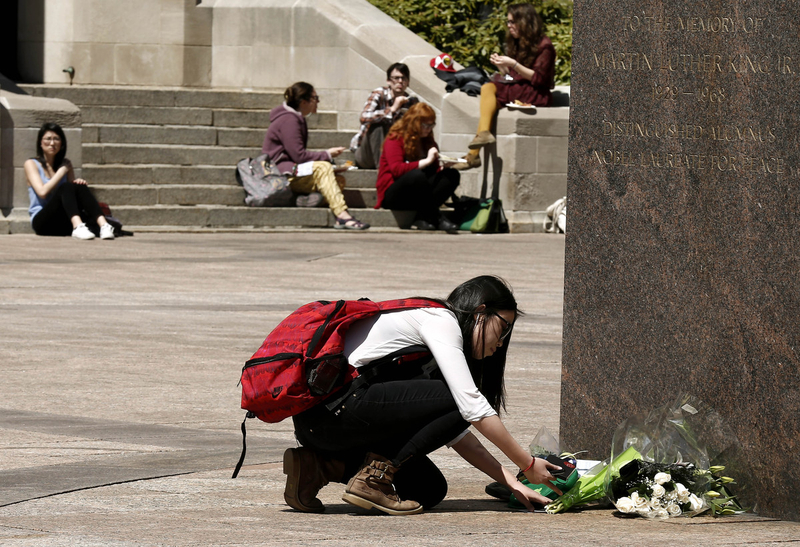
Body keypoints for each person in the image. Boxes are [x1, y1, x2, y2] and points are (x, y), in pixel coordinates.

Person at [284, 275, 563, 515]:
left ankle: (318, 466)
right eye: (503, 327)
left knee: (428, 490)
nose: (501, 342)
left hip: (326, 426)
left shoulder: (436, 346)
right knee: (462, 398)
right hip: (334, 411)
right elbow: (470, 407)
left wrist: (512, 482)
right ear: (480, 312)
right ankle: (373, 479)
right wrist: (527, 465)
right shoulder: (440, 319)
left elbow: (455, 433)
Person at [263, 82, 369, 230]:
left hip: (292, 171)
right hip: (282, 175)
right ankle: (342, 216)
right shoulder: (289, 120)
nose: (318, 102)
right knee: (323, 167)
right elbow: (299, 156)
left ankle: (300, 199)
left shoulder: (295, 118)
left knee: (338, 181)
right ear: (303, 102)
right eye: (315, 98)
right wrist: (327, 154)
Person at [463, 3, 556, 169]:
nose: (509, 26)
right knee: (487, 87)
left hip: (534, 92)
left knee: (491, 88)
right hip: (518, 88)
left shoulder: (545, 46)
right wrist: (501, 66)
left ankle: (474, 154)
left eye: (512, 22)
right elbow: (510, 77)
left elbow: (539, 78)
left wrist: (513, 64)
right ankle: (479, 142)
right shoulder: (517, 42)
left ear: (525, 22)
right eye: (508, 22)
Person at [375, 103, 460, 232]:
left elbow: (433, 172)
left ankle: (423, 217)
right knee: (416, 175)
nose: (428, 129)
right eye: (425, 125)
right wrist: (426, 161)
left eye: (431, 125)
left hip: (419, 193)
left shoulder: (428, 141)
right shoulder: (395, 138)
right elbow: (397, 170)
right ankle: (437, 217)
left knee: (452, 175)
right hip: (394, 193)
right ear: (413, 122)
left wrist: (443, 166)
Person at [24, 122, 115, 240]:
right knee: (66, 187)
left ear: (62, 143)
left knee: (78, 185)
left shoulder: (66, 164)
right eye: (48, 139)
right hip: (42, 222)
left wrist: (78, 183)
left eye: (56, 139)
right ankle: (78, 227)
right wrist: (61, 172)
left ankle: (104, 225)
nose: (52, 143)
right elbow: (42, 192)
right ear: (40, 143)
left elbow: (72, 195)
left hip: (63, 220)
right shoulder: (31, 164)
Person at [350, 62, 419, 169]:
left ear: (408, 82)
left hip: (395, 153)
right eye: (396, 78)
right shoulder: (379, 94)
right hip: (367, 154)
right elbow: (364, 117)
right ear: (389, 81)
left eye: (404, 78)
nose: (400, 81)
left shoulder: (411, 100)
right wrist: (392, 109)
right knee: (376, 126)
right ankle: (384, 172)